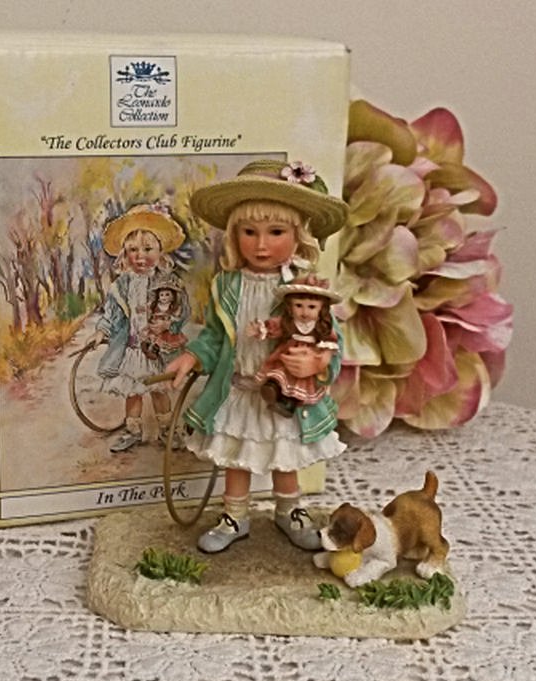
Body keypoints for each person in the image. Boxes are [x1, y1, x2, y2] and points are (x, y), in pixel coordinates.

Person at [166, 158, 347, 553]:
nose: (261, 245)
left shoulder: (305, 288)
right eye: (249, 232)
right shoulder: (227, 285)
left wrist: (317, 363)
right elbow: (216, 336)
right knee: (237, 457)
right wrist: (193, 357)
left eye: (276, 232)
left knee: (285, 455)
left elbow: (331, 338)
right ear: (235, 235)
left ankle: (289, 510)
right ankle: (235, 516)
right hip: (240, 391)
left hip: (284, 395)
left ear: (298, 236)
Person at [89, 204, 189, 453]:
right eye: (133, 250)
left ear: (160, 251)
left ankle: (166, 429)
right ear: (124, 254)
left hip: (156, 349)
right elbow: (112, 313)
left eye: (148, 249)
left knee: (158, 391)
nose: (140, 256)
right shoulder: (122, 285)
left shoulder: (166, 282)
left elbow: (182, 310)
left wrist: (169, 323)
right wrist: (102, 331)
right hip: (133, 350)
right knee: (132, 392)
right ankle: (133, 430)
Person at [252, 274, 341, 418]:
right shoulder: (289, 322)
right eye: (298, 306)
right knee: (280, 372)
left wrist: (320, 360)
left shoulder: (322, 327)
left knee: (301, 382)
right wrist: (261, 329)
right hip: (287, 354)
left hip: (307, 355)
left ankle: (288, 404)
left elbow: (330, 345)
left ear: (322, 309)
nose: (304, 313)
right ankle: (272, 388)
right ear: (290, 306)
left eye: (312, 307)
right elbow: (275, 326)